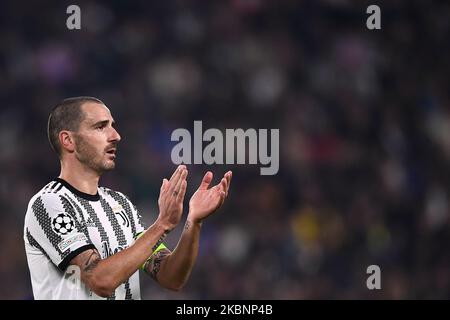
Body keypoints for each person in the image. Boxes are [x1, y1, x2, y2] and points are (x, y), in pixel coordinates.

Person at [23, 96, 232, 300]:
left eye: (112, 125)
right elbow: (99, 280)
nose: (115, 135)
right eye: (100, 127)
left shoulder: (120, 204)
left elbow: (171, 277)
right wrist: (162, 225)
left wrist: (193, 222)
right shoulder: (49, 204)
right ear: (68, 140)